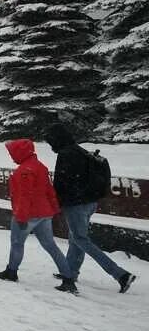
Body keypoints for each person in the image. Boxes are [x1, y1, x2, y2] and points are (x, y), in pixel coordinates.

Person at [45, 123, 137, 294]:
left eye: (51, 142)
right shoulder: (79, 150)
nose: (51, 146)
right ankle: (70, 272)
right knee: (76, 238)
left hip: (76, 204)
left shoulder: (66, 154)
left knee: (80, 239)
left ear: (56, 139)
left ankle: (120, 275)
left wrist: (56, 202)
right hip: (90, 202)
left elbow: (62, 183)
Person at [0, 139, 78, 294]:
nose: (11, 157)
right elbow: (49, 190)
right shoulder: (40, 167)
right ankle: (68, 279)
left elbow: (24, 196)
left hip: (28, 214)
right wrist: (55, 209)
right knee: (51, 246)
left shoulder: (24, 171)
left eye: (13, 153)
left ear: (21, 153)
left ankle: (11, 272)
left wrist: (21, 218)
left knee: (17, 244)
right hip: (44, 214)